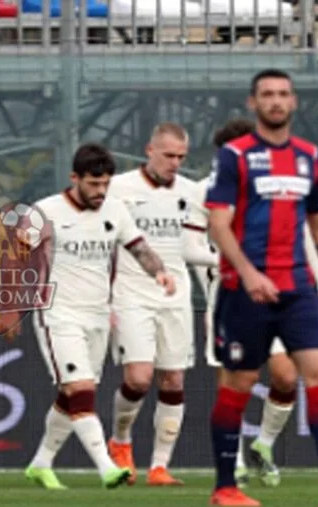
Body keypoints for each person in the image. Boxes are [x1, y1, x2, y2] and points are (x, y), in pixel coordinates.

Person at [205, 68, 318, 507]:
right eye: (267, 94)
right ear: (252, 102)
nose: (276, 101)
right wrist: (246, 272)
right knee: (239, 382)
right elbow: (218, 223)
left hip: (297, 286)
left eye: (283, 94)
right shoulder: (234, 157)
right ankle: (225, 485)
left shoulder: (310, 158)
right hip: (244, 290)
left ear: (294, 102)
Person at [184, 117, 318, 489]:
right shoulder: (204, 191)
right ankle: (233, 462)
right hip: (231, 296)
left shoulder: (280, 187)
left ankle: (263, 446)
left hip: (282, 293)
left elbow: (304, 240)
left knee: (285, 375)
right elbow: (189, 248)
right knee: (233, 380)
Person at [22, 143, 176, 490]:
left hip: (98, 315)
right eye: (93, 184)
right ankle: (107, 467)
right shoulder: (46, 212)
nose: (100, 191)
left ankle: (41, 463)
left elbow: (138, 247)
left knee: (71, 395)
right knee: (81, 389)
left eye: (105, 184)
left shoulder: (115, 211)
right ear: (74, 178)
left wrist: (160, 273)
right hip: (57, 313)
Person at [105, 123, 204, 486]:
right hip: (130, 294)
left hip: (175, 297)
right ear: (149, 150)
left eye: (181, 157)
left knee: (174, 378)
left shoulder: (194, 194)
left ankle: (160, 467)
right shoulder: (118, 189)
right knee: (138, 377)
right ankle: (121, 441)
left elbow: (201, 247)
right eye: (168, 155)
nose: (175, 163)